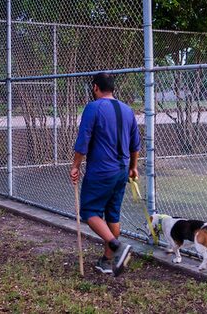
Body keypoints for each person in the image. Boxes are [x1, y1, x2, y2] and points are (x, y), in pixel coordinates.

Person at [70, 72, 140, 276]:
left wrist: (75, 166)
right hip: (121, 170)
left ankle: (116, 246)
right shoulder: (127, 110)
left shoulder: (93, 108)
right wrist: (133, 167)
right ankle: (107, 262)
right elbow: (135, 143)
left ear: (95, 87)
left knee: (89, 211)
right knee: (112, 214)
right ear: (113, 88)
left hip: (101, 171)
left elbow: (83, 139)